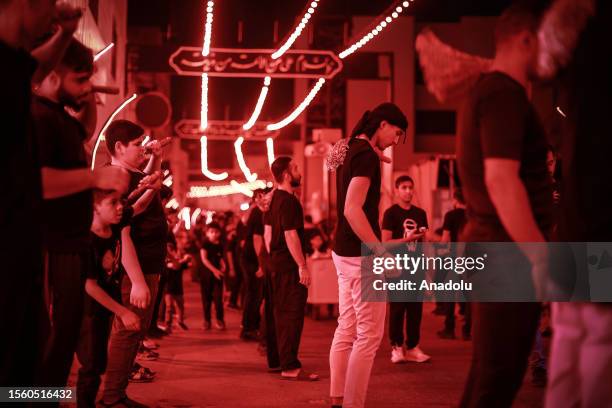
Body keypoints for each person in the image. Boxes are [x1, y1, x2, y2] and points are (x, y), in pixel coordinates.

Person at [456, 3, 553, 407]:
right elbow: (501, 179)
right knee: (497, 379)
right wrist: (542, 258)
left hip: (495, 248)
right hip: (507, 252)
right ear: (527, 38)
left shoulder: (488, 90)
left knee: (490, 374)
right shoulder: (503, 94)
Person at [33, 38, 130, 388]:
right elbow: (37, 182)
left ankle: (46, 399)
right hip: (47, 247)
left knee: (62, 342)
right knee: (46, 342)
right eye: (80, 79)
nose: (87, 87)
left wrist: (86, 94)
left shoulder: (59, 117)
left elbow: (86, 129)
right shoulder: (37, 118)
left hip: (67, 245)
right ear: (55, 77)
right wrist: (95, 177)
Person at [0, 0, 84, 387]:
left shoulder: (12, 65)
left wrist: (67, 33)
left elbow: (36, 67)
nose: (53, 15)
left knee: (30, 359)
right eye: (49, 7)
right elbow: (43, 178)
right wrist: (97, 179)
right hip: (11, 245)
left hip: (23, 246)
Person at [542, 0, 612, 405]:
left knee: (568, 341)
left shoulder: (568, 90)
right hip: (598, 234)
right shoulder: (598, 85)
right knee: (599, 344)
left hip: (569, 231)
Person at [327, 103, 409, 408]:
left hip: (342, 250)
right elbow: (352, 209)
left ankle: (338, 398)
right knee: (369, 336)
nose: (395, 141)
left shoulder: (351, 147)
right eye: (396, 133)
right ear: (383, 124)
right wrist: (380, 252)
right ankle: (353, 403)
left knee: (346, 327)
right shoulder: (364, 156)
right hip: (362, 256)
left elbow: (346, 168)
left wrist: (373, 153)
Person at [102, 120, 167, 407]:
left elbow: (138, 203)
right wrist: (138, 281)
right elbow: (124, 230)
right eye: (138, 144)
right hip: (135, 269)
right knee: (127, 332)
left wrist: (156, 162)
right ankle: (111, 397)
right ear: (119, 147)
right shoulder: (116, 177)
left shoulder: (130, 174)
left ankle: (115, 394)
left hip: (147, 265)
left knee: (133, 332)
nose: (144, 149)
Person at [76, 189, 140, 408]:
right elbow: (89, 285)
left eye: (120, 202)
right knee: (90, 367)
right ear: (95, 208)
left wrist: (151, 182)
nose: (120, 207)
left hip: (103, 310)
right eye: (113, 203)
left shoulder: (114, 228)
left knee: (98, 363)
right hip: (87, 311)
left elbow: (135, 205)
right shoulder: (86, 241)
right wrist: (123, 311)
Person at [264, 157, 318, 381]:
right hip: (288, 266)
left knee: (278, 314)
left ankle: (278, 361)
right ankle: (290, 366)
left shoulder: (273, 199)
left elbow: (268, 236)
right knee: (291, 316)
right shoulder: (288, 201)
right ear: (287, 175)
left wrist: (273, 259)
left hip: (276, 265)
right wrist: (302, 266)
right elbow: (290, 234)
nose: (300, 172)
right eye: (295, 168)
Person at [382, 175, 430, 364]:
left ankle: (413, 347)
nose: (408, 191)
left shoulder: (420, 213)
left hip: (416, 267)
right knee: (397, 308)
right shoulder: (391, 213)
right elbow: (385, 243)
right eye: (404, 187)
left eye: (411, 187)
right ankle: (396, 346)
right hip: (397, 268)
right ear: (396, 190)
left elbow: (424, 242)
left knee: (415, 310)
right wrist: (407, 239)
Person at [437, 188, 471, 341]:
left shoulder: (450, 215)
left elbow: (444, 240)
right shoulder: (472, 216)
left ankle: (449, 329)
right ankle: (467, 330)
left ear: (455, 200)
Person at [240, 188, 271, 341]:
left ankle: (251, 327)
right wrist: (261, 264)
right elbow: (257, 239)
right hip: (252, 259)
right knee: (254, 294)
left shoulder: (258, 212)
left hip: (252, 257)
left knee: (255, 294)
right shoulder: (257, 213)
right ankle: (248, 328)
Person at [200, 222, 227, 330]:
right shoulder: (205, 244)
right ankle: (207, 320)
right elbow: (204, 259)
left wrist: (223, 264)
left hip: (217, 275)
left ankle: (220, 320)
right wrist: (215, 271)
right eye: (211, 232)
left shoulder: (220, 244)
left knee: (218, 299)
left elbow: (220, 257)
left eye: (216, 232)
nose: (214, 234)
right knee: (206, 299)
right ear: (207, 233)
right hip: (206, 275)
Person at [164, 241, 190, 331]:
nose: (170, 253)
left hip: (178, 288)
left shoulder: (178, 260)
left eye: (171, 250)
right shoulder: (167, 262)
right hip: (169, 288)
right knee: (169, 307)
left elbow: (186, 265)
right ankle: (168, 323)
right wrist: (183, 260)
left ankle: (180, 321)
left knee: (180, 306)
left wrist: (186, 259)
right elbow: (175, 266)